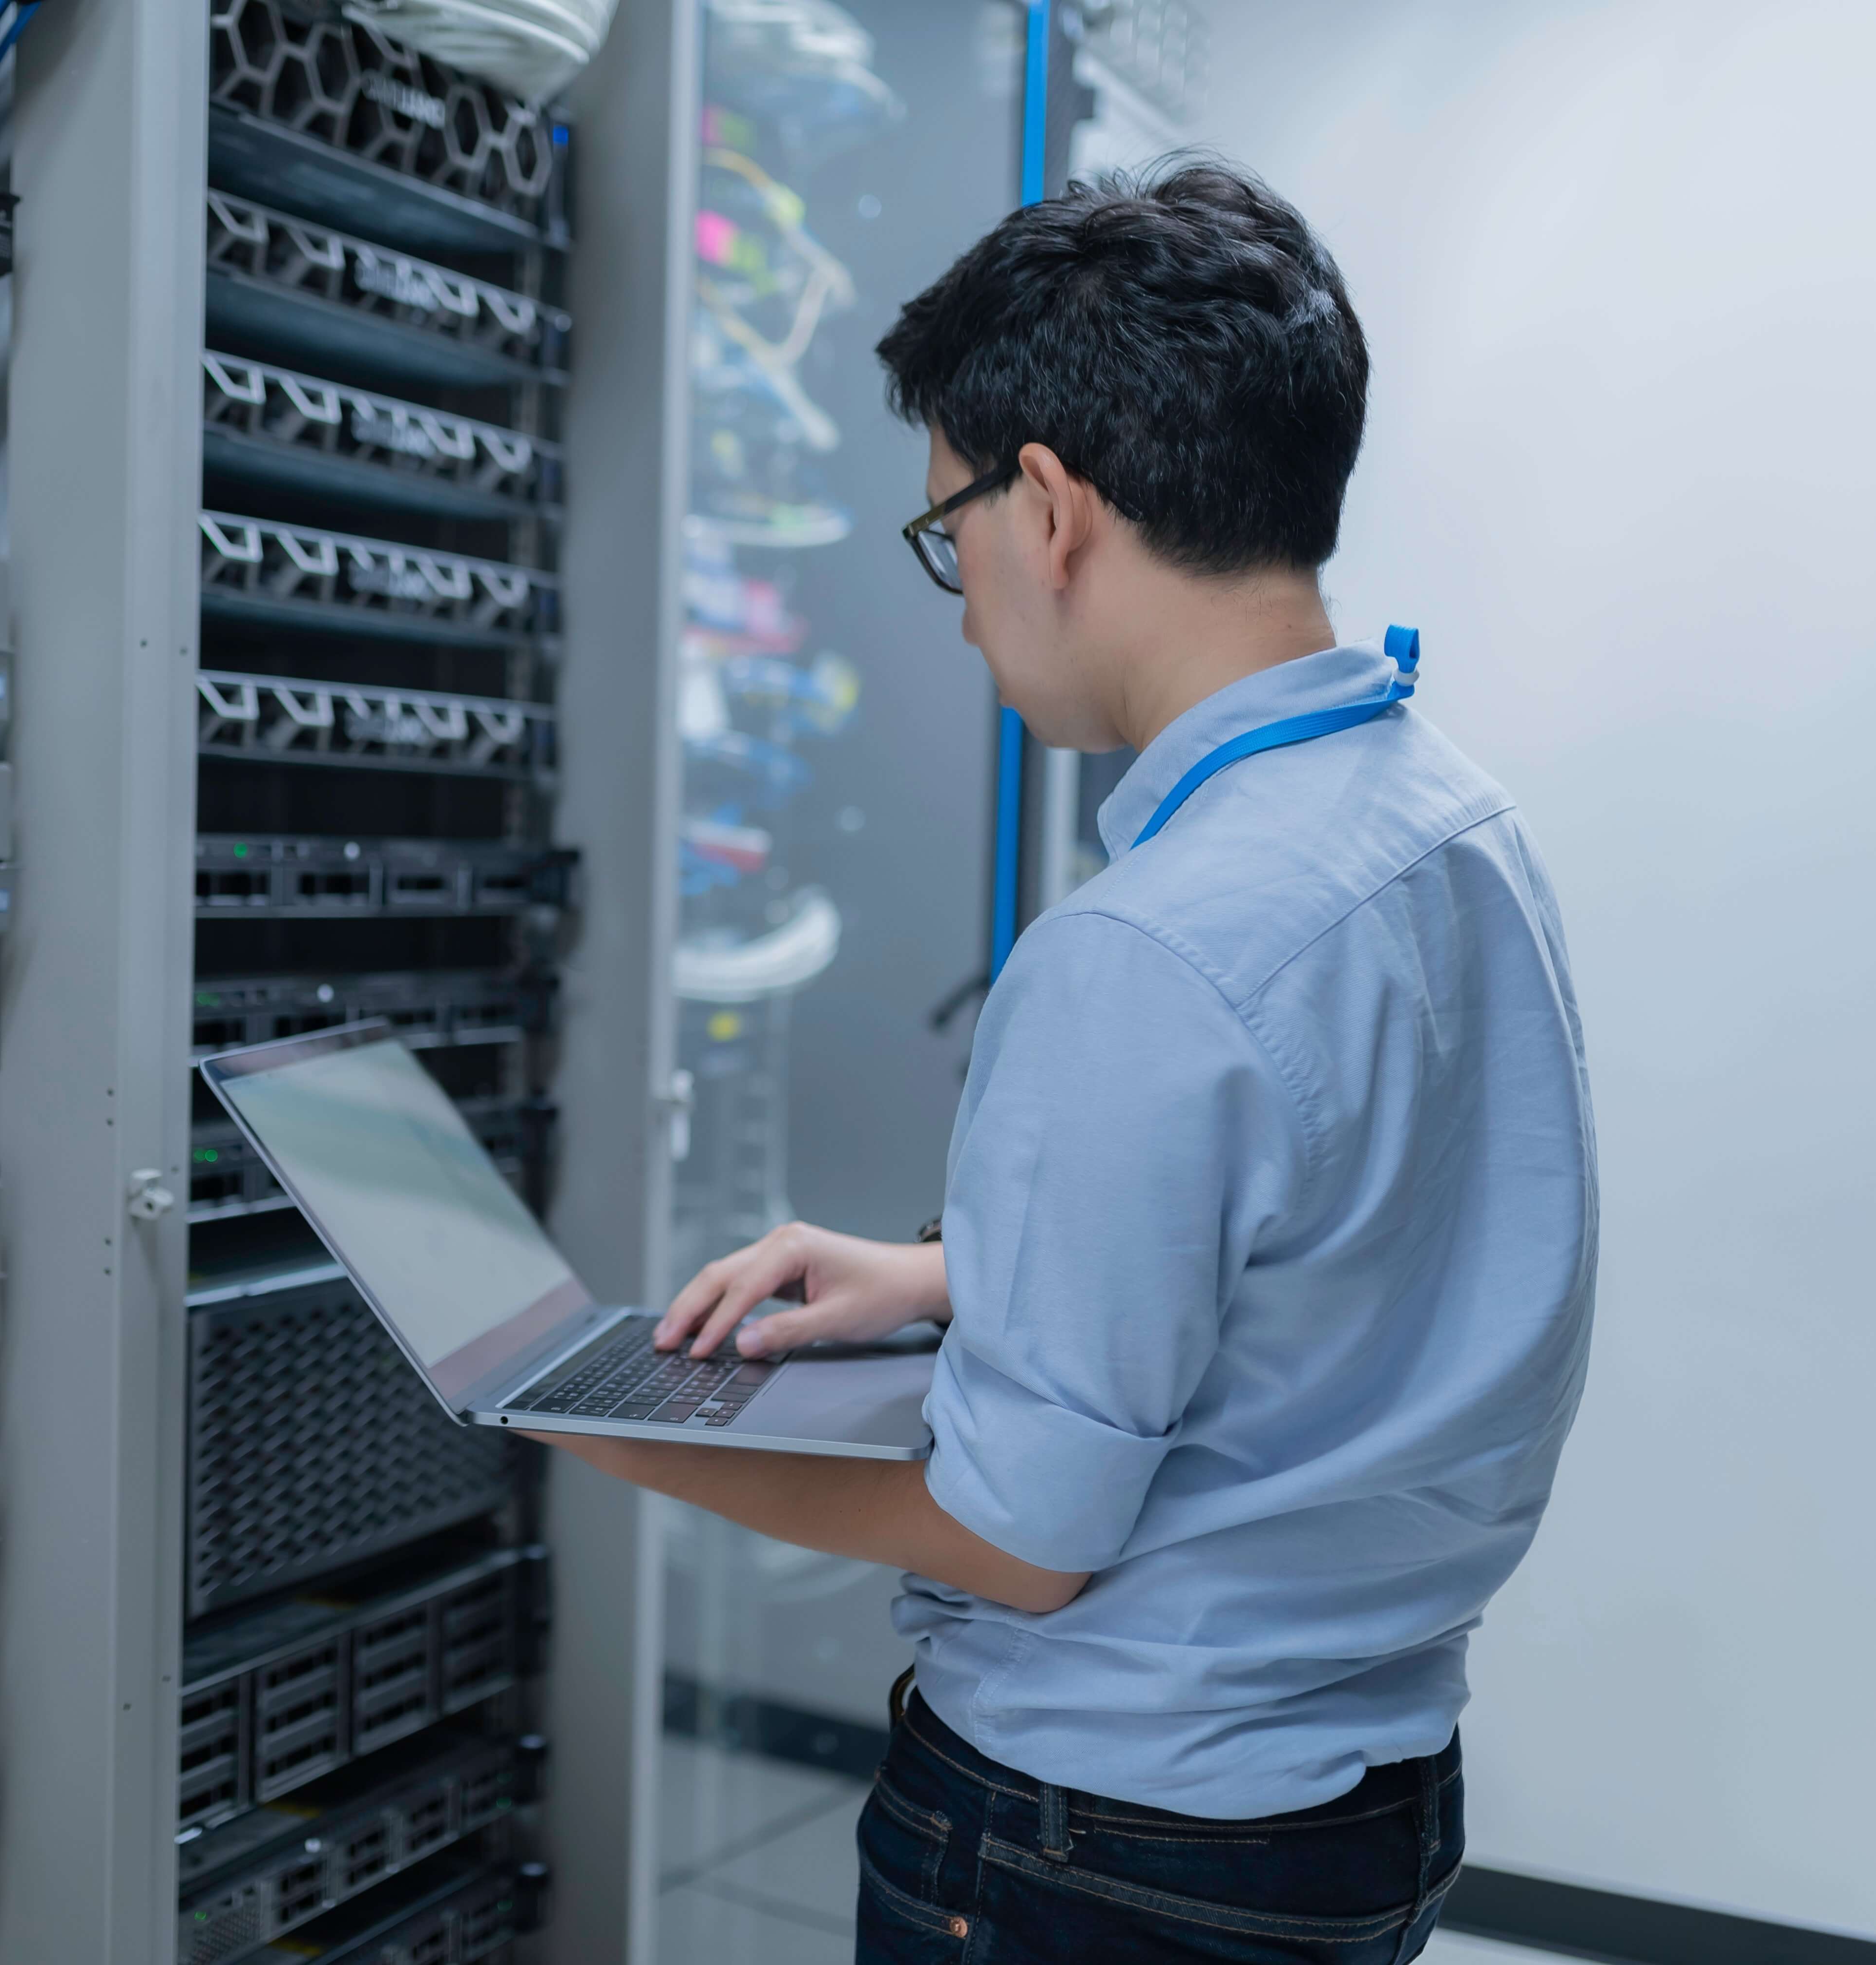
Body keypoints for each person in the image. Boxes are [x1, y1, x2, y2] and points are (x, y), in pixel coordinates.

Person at [534, 160, 1597, 1964]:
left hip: (1100, 1850)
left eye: (946, 536)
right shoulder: (1455, 822)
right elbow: (1358, 1241)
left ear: (1048, 506)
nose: (958, 603)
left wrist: (609, 1428)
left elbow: (1018, 1544)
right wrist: (941, 1275)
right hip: (1357, 1811)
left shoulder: (1145, 948)